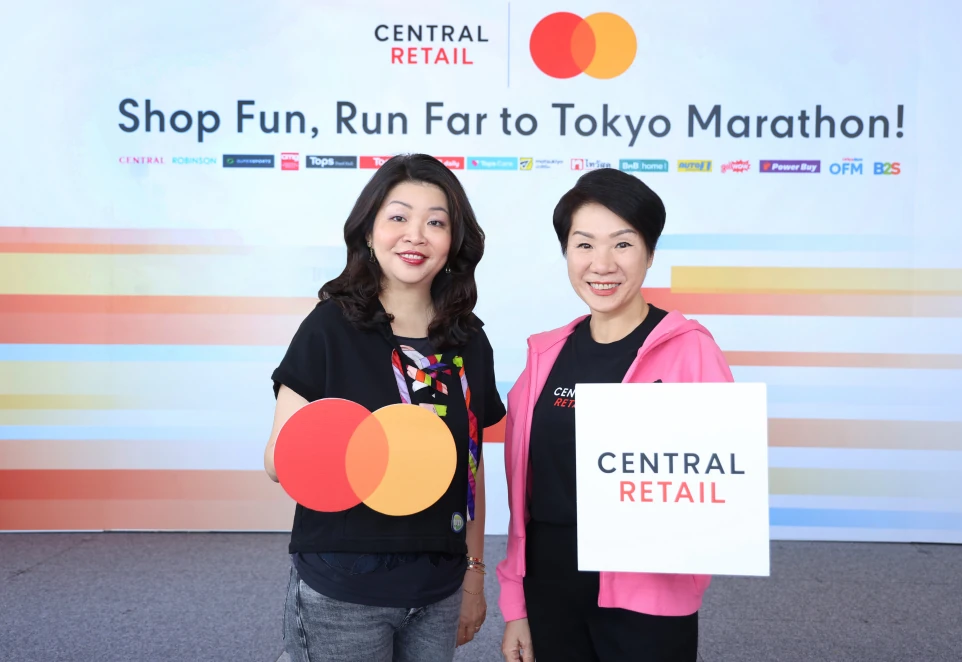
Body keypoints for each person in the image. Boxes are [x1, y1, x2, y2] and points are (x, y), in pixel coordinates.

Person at [264, 154, 506, 662]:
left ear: (454, 241)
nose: (415, 235)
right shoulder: (330, 327)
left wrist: (474, 573)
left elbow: (472, 469)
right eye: (398, 217)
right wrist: (362, 453)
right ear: (369, 232)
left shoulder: (468, 340)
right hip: (346, 584)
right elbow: (278, 460)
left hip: (439, 584)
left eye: (435, 222)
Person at [497, 168, 735, 662]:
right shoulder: (544, 356)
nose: (601, 264)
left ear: (650, 253)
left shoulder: (691, 352)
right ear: (566, 252)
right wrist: (516, 603)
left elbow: (718, 488)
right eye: (584, 244)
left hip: (650, 593)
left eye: (622, 244)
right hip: (550, 587)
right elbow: (524, 504)